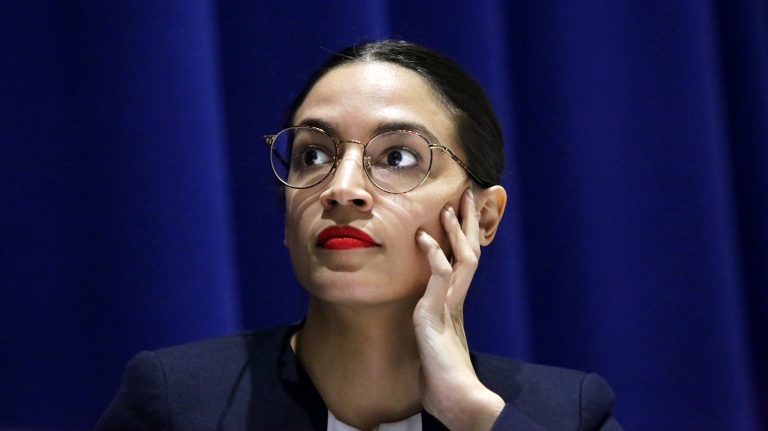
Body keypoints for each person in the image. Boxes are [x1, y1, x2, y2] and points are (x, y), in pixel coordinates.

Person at [96, 40, 622, 430]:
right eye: (313, 155)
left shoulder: (567, 412)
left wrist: (470, 412)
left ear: (482, 218)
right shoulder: (177, 400)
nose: (341, 189)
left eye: (397, 157)